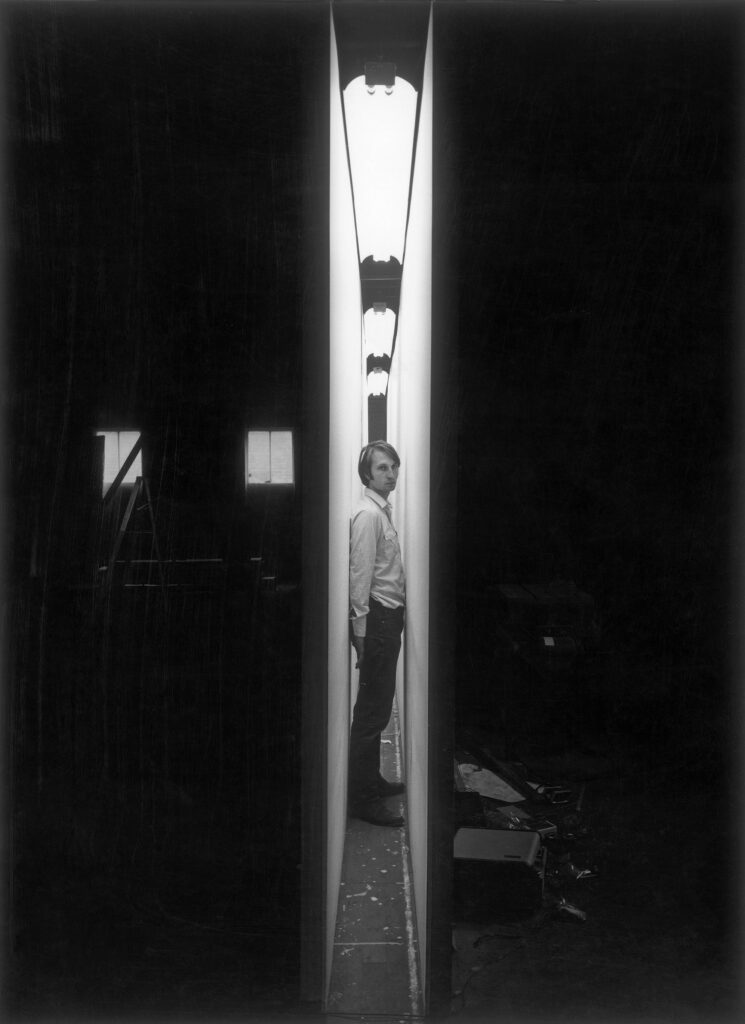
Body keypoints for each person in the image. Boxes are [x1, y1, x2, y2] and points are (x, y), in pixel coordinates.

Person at [348, 441, 407, 827]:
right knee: (372, 715)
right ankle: (363, 800)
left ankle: (372, 781)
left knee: (378, 710)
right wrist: (361, 632)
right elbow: (360, 575)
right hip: (380, 622)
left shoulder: (381, 512)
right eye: (383, 468)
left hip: (389, 620)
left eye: (394, 467)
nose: (391, 473)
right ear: (367, 475)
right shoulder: (368, 516)